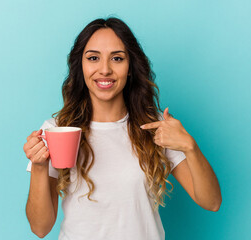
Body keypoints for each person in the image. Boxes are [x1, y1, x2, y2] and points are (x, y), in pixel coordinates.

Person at [23, 17, 222, 240]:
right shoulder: (56, 130)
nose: (105, 69)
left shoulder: (155, 127)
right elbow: (40, 228)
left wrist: (190, 146)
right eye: (93, 58)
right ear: (81, 65)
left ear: (130, 68)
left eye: (117, 58)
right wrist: (40, 167)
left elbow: (212, 202)